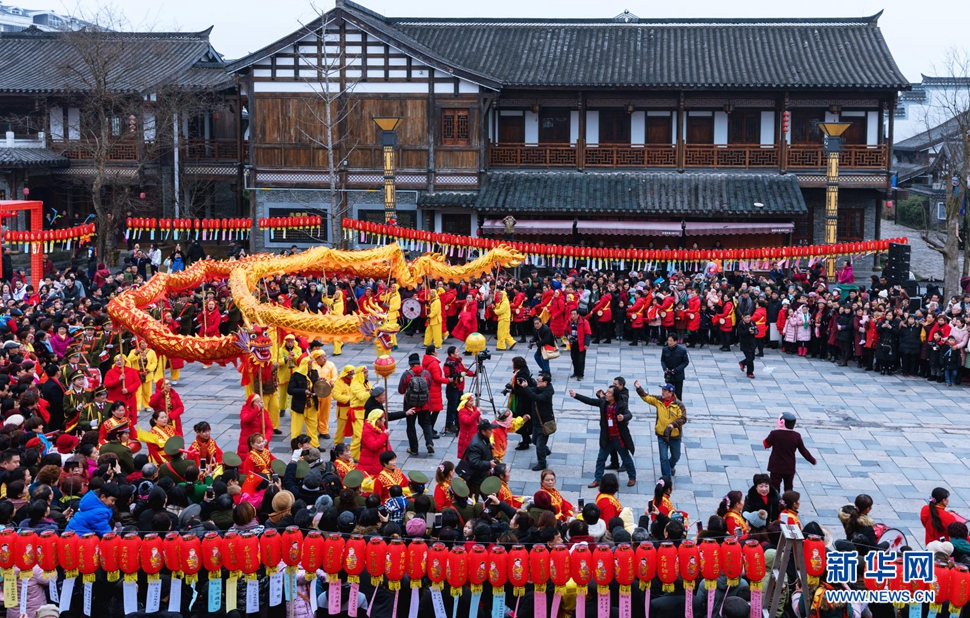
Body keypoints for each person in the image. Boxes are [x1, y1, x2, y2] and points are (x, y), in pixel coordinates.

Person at [570, 384, 636, 488]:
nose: (606, 394)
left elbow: (629, 414)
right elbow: (590, 401)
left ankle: (632, 477)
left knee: (626, 458)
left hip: (619, 437)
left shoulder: (621, 405)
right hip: (607, 437)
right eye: (607, 392)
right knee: (601, 458)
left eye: (609, 392)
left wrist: (623, 417)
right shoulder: (603, 402)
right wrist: (576, 395)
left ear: (614, 396)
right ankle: (598, 479)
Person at [634, 381, 686, 477]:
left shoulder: (679, 405)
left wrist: (673, 425)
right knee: (663, 457)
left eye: (665, 391)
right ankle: (666, 478)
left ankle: (671, 465)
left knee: (676, 456)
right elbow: (647, 397)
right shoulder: (659, 400)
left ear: (671, 393)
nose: (662, 392)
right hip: (661, 435)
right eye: (662, 390)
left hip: (674, 436)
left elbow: (683, 418)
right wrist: (638, 388)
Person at [763, 411, 817, 492]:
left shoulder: (774, 434)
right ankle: (788, 502)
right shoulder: (796, 436)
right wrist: (812, 460)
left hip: (776, 466)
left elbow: (766, 444)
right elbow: (803, 450)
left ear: (781, 422)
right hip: (789, 466)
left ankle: (775, 502)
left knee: (774, 486)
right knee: (788, 487)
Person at [515, 370, 554, 471]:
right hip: (537, 421)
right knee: (534, 441)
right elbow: (532, 390)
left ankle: (542, 463)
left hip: (544, 423)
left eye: (539, 381)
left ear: (545, 382)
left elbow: (535, 397)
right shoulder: (540, 387)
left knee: (539, 445)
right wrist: (525, 385)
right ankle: (545, 450)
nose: (537, 382)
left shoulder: (547, 392)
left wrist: (526, 387)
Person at [398, 353, 434, 456]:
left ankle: (414, 449)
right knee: (426, 424)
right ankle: (429, 443)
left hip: (410, 406)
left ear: (410, 364)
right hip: (424, 404)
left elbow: (401, 390)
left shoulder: (406, 374)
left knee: (411, 427)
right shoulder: (426, 373)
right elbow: (429, 387)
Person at [460, 419, 498, 497]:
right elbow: (474, 462)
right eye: (489, 430)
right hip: (476, 479)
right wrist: (488, 464)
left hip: (483, 475)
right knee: (473, 501)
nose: (491, 431)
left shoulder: (483, 439)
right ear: (483, 432)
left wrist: (489, 446)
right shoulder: (476, 444)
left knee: (489, 498)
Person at [442, 345, 473, 435]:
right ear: (451, 354)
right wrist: (459, 375)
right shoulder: (448, 364)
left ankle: (457, 423)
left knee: (459, 406)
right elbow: (448, 376)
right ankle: (449, 425)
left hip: (459, 388)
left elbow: (465, 370)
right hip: (453, 388)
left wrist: (473, 374)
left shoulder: (459, 361)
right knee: (452, 407)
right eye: (456, 352)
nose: (458, 353)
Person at [238, 393, 273, 459]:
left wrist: (266, 439)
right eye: (257, 402)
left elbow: (269, 428)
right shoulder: (245, 410)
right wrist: (257, 410)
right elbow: (246, 419)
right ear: (252, 403)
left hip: (261, 443)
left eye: (260, 401)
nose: (260, 403)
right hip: (248, 443)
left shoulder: (264, 412)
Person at [659, 333, 690, 398]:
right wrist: (665, 369)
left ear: (675, 341)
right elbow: (662, 360)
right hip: (668, 375)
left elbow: (685, 362)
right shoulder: (665, 349)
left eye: (671, 341)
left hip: (678, 375)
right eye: (668, 340)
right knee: (668, 394)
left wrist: (676, 370)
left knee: (678, 394)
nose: (669, 342)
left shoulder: (682, 350)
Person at [566, 308, 592, 380]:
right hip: (573, 343)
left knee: (581, 359)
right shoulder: (569, 322)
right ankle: (575, 372)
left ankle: (580, 374)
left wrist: (586, 344)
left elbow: (588, 333)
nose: (573, 316)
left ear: (578, 315)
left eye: (574, 314)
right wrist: (567, 335)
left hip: (581, 343)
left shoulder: (584, 322)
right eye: (571, 314)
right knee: (574, 358)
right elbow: (565, 330)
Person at [737, 312, 758, 379]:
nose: (747, 319)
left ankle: (742, 363)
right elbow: (741, 333)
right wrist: (748, 331)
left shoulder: (752, 323)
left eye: (749, 317)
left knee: (753, 357)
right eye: (746, 318)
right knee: (750, 359)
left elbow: (757, 331)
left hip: (752, 343)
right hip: (745, 344)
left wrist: (754, 332)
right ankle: (750, 372)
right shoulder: (740, 324)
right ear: (743, 317)